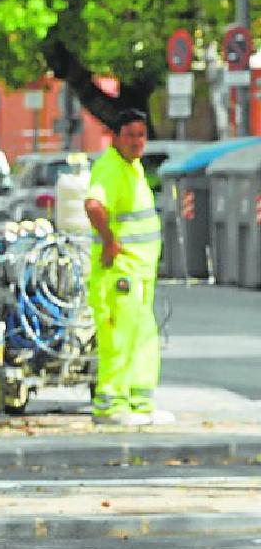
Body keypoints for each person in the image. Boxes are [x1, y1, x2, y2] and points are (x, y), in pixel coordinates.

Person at [84, 110, 167, 426]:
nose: (136, 141)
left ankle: (137, 404)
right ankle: (110, 406)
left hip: (139, 273)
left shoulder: (132, 168)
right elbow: (94, 205)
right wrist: (109, 242)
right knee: (118, 341)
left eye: (141, 135)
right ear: (116, 137)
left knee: (142, 339)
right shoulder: (111, 169)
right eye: (130, 134)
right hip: (120, 274)